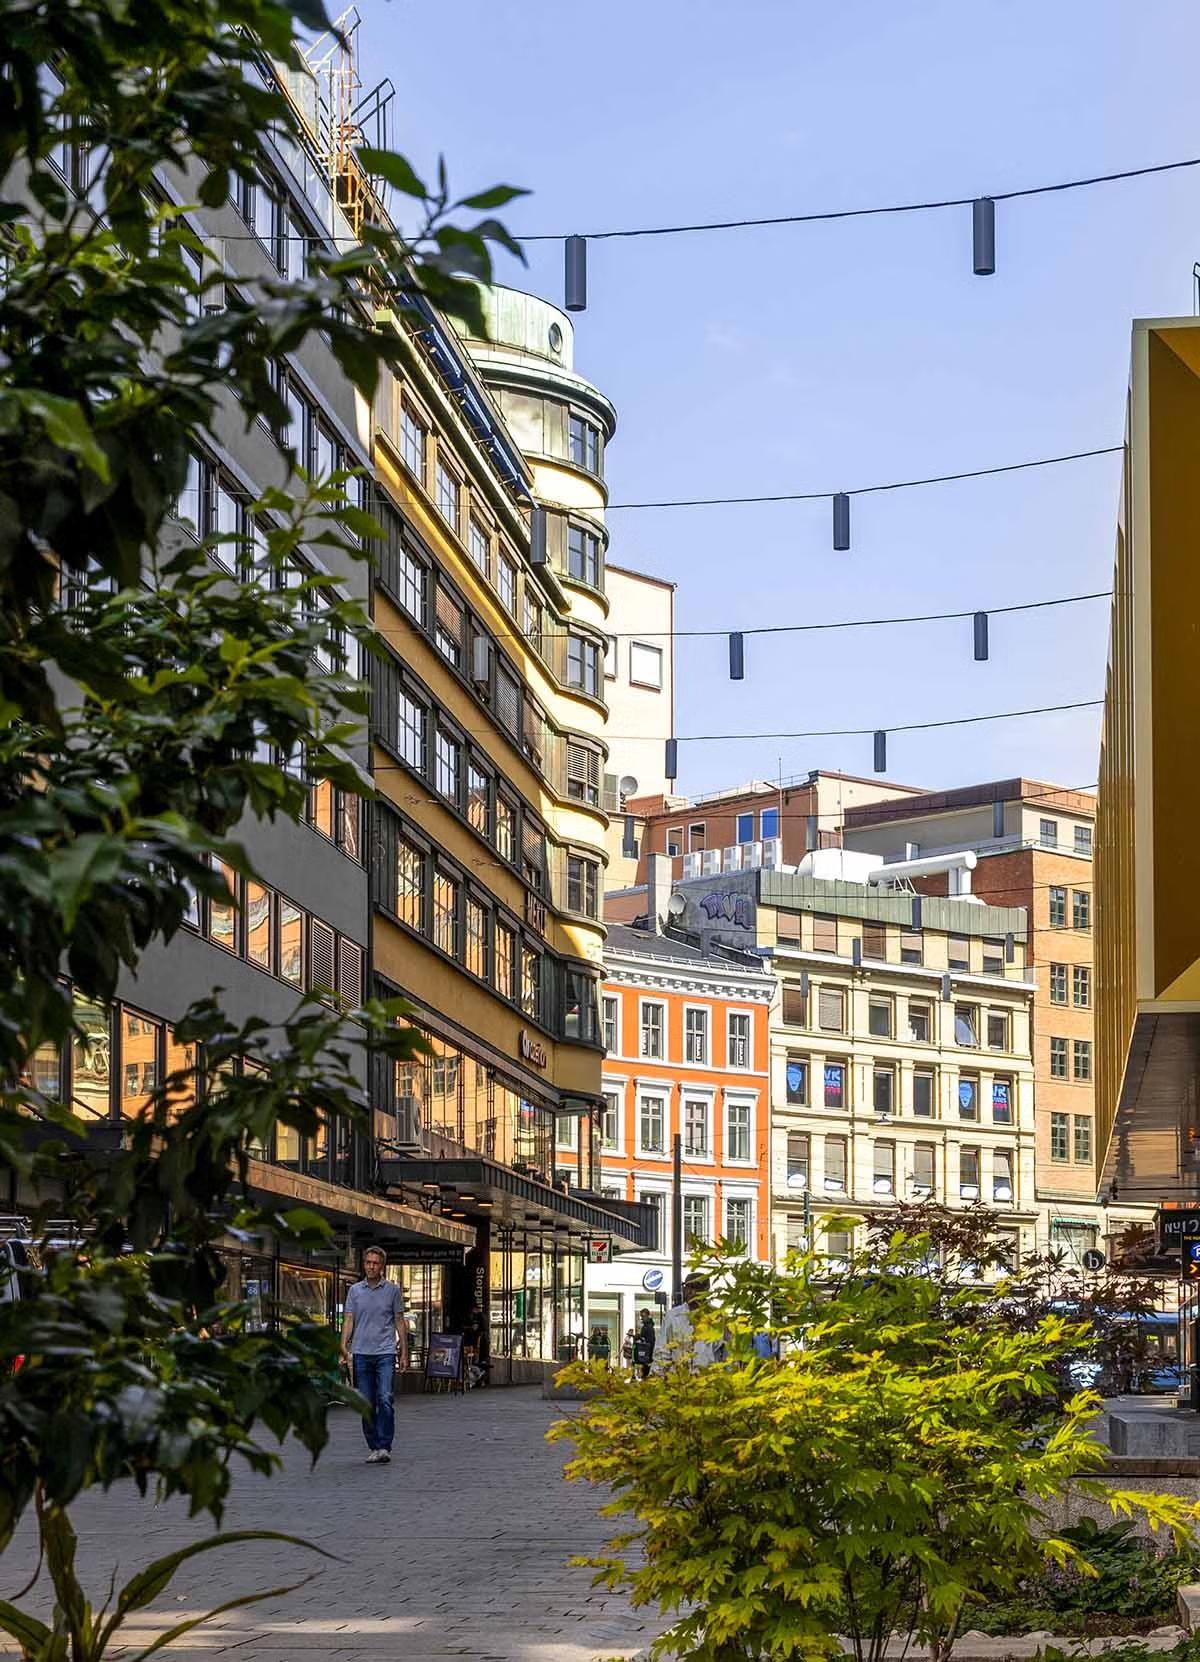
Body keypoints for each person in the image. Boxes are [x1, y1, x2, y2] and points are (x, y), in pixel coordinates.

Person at [340, 1246, 408, 1464]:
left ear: (382, 1266)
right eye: (368, 1262)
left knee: (385, 1398)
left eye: (375, 1263)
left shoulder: (392, 1291)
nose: (371, 1266)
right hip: (361, 1353)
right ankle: (374, 1444)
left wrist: (404, 1350)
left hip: (385, 1353)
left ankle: (384, 1446)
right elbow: (349, 1318)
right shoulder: (355, 1291)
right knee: (366, 1402)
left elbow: (399, 1320)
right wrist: (343, 1345)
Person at [653, 1273, 724, 1371]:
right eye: (687, 1287)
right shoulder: (673, 1316)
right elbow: (662, 1350)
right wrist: (658, 1375)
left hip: (708, 1380)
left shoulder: (718, 1317)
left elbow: (726, 1354)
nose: (690, 1291)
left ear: (706, 1290)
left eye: (695, 1287)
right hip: (678, 1379)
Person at [636, 1308, 656, 1378]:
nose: (642, 1318)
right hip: (646, 1352)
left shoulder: (648, 1326)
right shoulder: (646, 1326)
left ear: (647, 1315)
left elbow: (650, 1340)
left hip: (647, 1353)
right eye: (641, 1316)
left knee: (646, 1371)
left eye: (643, 1316)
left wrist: (639, 1337)